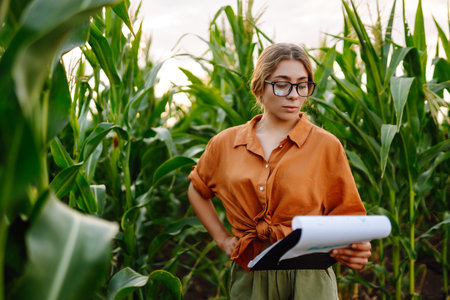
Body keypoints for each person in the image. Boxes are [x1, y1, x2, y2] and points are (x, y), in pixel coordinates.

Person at [187, 43, 371, 299]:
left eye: (302, 84)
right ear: (260, 86)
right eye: (282, 84)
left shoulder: (326, 146)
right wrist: (222, 239)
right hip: (250, 277)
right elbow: (197, 189)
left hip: (311, 279)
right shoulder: (224, 144)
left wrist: (357, 246)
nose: (294, 94)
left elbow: (348, 218)